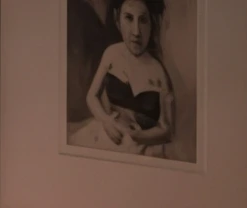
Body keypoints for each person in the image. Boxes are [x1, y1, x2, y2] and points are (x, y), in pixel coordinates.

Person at [69, 0, 175, 158]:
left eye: (143, 20)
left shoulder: (158, 72)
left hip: (141, 146)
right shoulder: (111, 54)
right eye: (129, 18)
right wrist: (106, 121)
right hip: (108, 132)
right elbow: (91, 96)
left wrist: (139, 136)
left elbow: (168, 130)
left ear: (152, 23)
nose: (136, 31)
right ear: (117, 19)